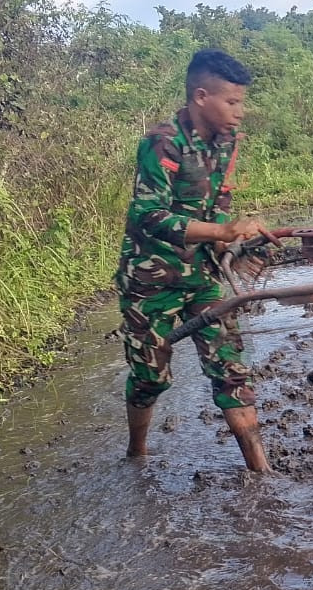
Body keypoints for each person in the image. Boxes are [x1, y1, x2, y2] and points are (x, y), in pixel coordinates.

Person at [115, 48, 278, 471]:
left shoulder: (226, 142)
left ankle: (263, 474)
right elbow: (147, 215)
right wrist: (222, 232)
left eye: (242, 102)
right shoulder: (161, 142)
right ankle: (137, 454)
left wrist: (229, 249)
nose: (240, 112)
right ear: (201, 96)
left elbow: (217, 205)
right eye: (233, 102)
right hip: (151, 279)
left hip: (203, 278)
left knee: (231, 372)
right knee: (150, 378)